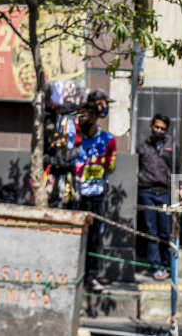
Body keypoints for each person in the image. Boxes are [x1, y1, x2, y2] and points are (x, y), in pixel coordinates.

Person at [72, 100, 117, 292]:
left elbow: (111, 165)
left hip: (97, 195)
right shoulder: (73, 138)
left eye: (84, 115)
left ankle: (91, 277)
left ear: (94, 116)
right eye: (78, 115)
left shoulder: (108, 139)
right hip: (74, 196)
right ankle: (73, 275)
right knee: (74, 236)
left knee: (95, 238)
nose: (79, 119)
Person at [136, 113, 174, 280]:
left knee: (165, 231)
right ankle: (156, 267)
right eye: (157, 127)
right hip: (147, 192)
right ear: (151, 127)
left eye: (162, 129)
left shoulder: (171, 146)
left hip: (165, 192)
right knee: (151, 231)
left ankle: (166, 265)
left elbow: (176, 166)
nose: (159, 131)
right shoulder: (141, 147)